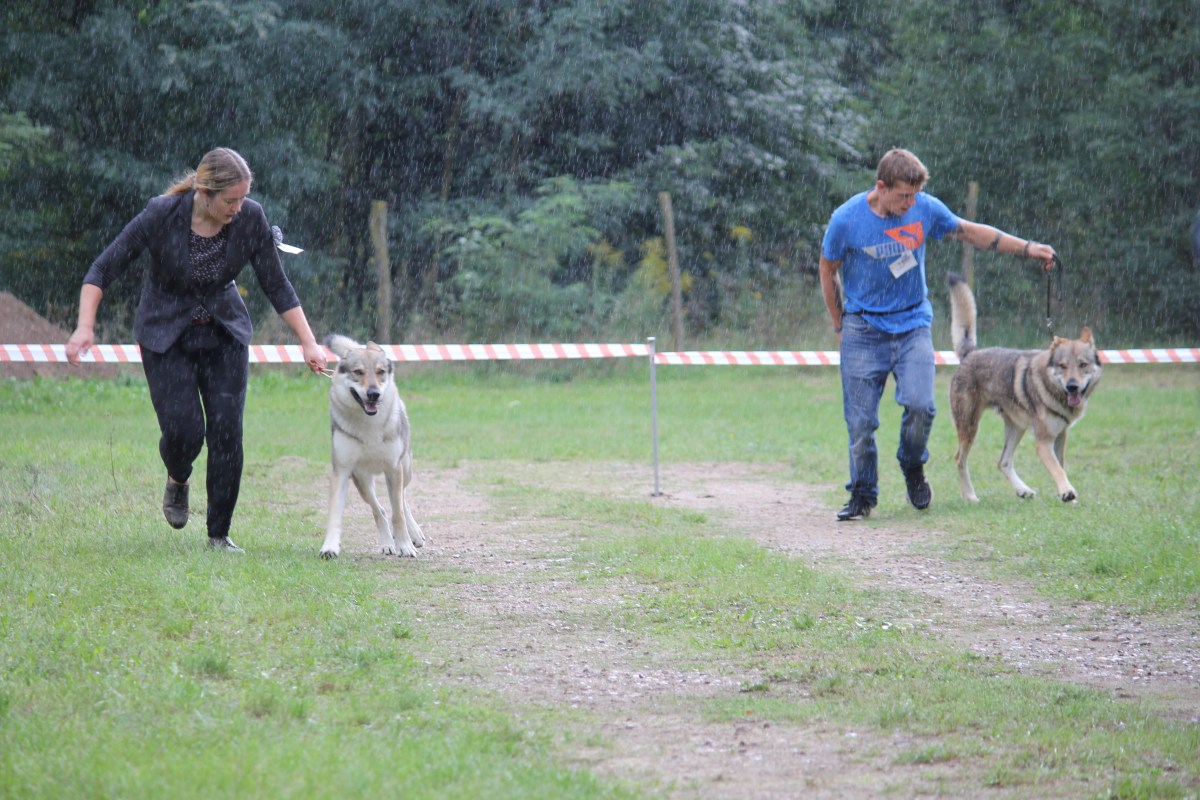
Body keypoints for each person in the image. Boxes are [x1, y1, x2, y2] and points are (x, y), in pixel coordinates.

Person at [66, 147, 327, 551]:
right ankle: (178, 477)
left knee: (227, 432)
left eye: (242, 198)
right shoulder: (162, 214)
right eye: (230, 200)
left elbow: (276, 284)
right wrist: (85, 327)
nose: (238, 208)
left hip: (223, 334)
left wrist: (309, 342)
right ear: (204, 193)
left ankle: (218, 534)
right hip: (165, 336)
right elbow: (103, 268)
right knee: (184, 432)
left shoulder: (250, 217)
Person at [818, 148, 1056, 521]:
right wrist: (839, 326)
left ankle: (913, 466)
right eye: (902, 196)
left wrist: (1027, 248)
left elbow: (972, 233)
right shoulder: (846, 220)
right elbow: (827, 268)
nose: (909, 204)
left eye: (914, 196)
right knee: (861, 422)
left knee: (920, 406)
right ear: (881, 187)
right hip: (863, 329)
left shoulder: (925, 208)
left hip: (912, 323)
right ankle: (862, 495)